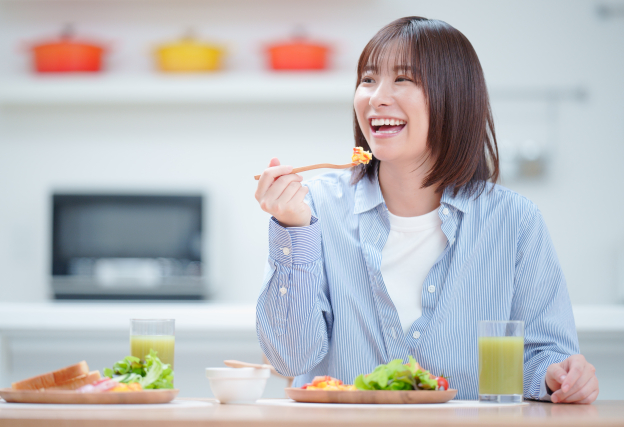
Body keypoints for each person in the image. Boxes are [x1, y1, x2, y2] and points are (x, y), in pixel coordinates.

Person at [254, 16, 599, 403]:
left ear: (454, 97)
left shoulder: (514, 221)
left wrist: (559, 375)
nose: (376, 97)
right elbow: (289, 359)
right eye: (368, 80)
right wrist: (293, 230)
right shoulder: (314, 209)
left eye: (403, 79)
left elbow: (543, 356)